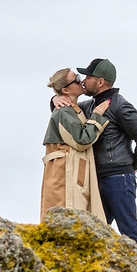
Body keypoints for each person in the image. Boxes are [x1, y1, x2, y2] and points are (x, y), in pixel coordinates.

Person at [75, 57, 137, 252]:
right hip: (97, 178)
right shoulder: (89, 106)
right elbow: (63, 110)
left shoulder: (119, 105)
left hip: (119, 178)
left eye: (88, 77)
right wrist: (54, 99)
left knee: (129, 232)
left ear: (100, 82)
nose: (84, 81)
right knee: (95, 233)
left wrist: (132, 166)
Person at [39, 68, 110, 228]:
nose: (81, 81)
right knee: (64, 218)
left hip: (71, 173)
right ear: (65, 90)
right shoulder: (64, 111)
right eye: (76, 79)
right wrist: (96, 118)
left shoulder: (73, 109)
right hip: (63, 174)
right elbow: (81, 140)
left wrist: (54, 98)